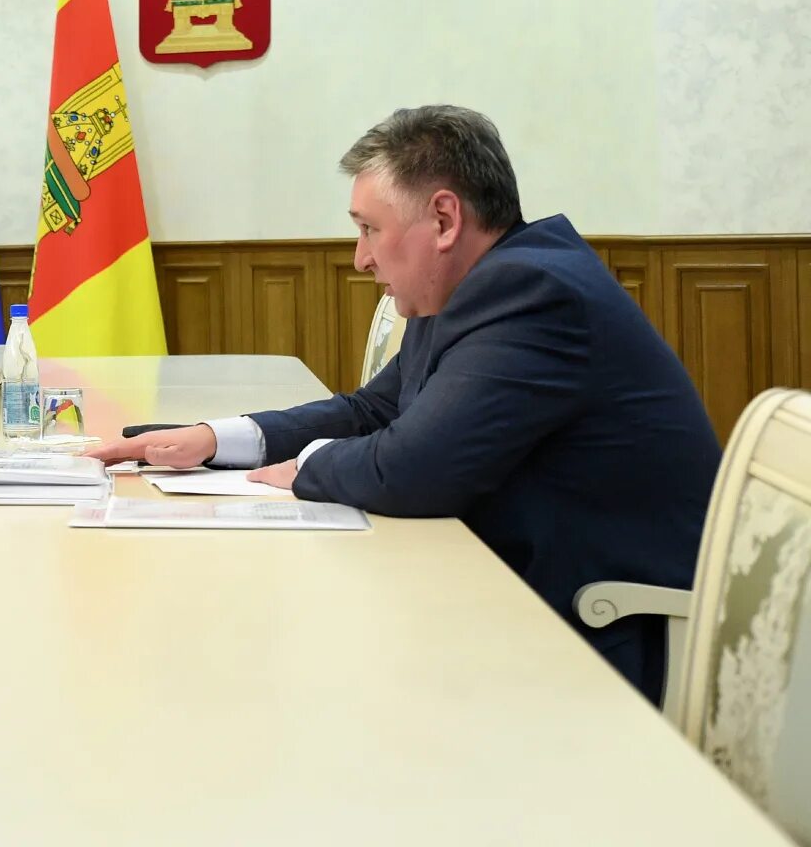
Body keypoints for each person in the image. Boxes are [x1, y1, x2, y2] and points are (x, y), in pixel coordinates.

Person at [87, 105, 720, 700]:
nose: (360, 259)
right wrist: (218, 439)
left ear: (444, 220)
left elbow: (415, 471)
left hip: (611, 634)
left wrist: (307, 465)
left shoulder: (534, 293)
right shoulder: (477, 283)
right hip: (521, 595)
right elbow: (374, 411)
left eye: (369, 230)